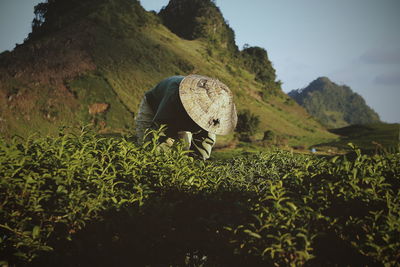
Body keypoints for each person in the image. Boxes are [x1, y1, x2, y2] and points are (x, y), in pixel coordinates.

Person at [135, 74, 237, 160]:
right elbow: (161, 130)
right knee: (147, 146)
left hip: (181, 117)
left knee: (183, 151)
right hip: (155, 107)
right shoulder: (174, 95)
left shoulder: (211, 115)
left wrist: (197, 166)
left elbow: (204, 141)